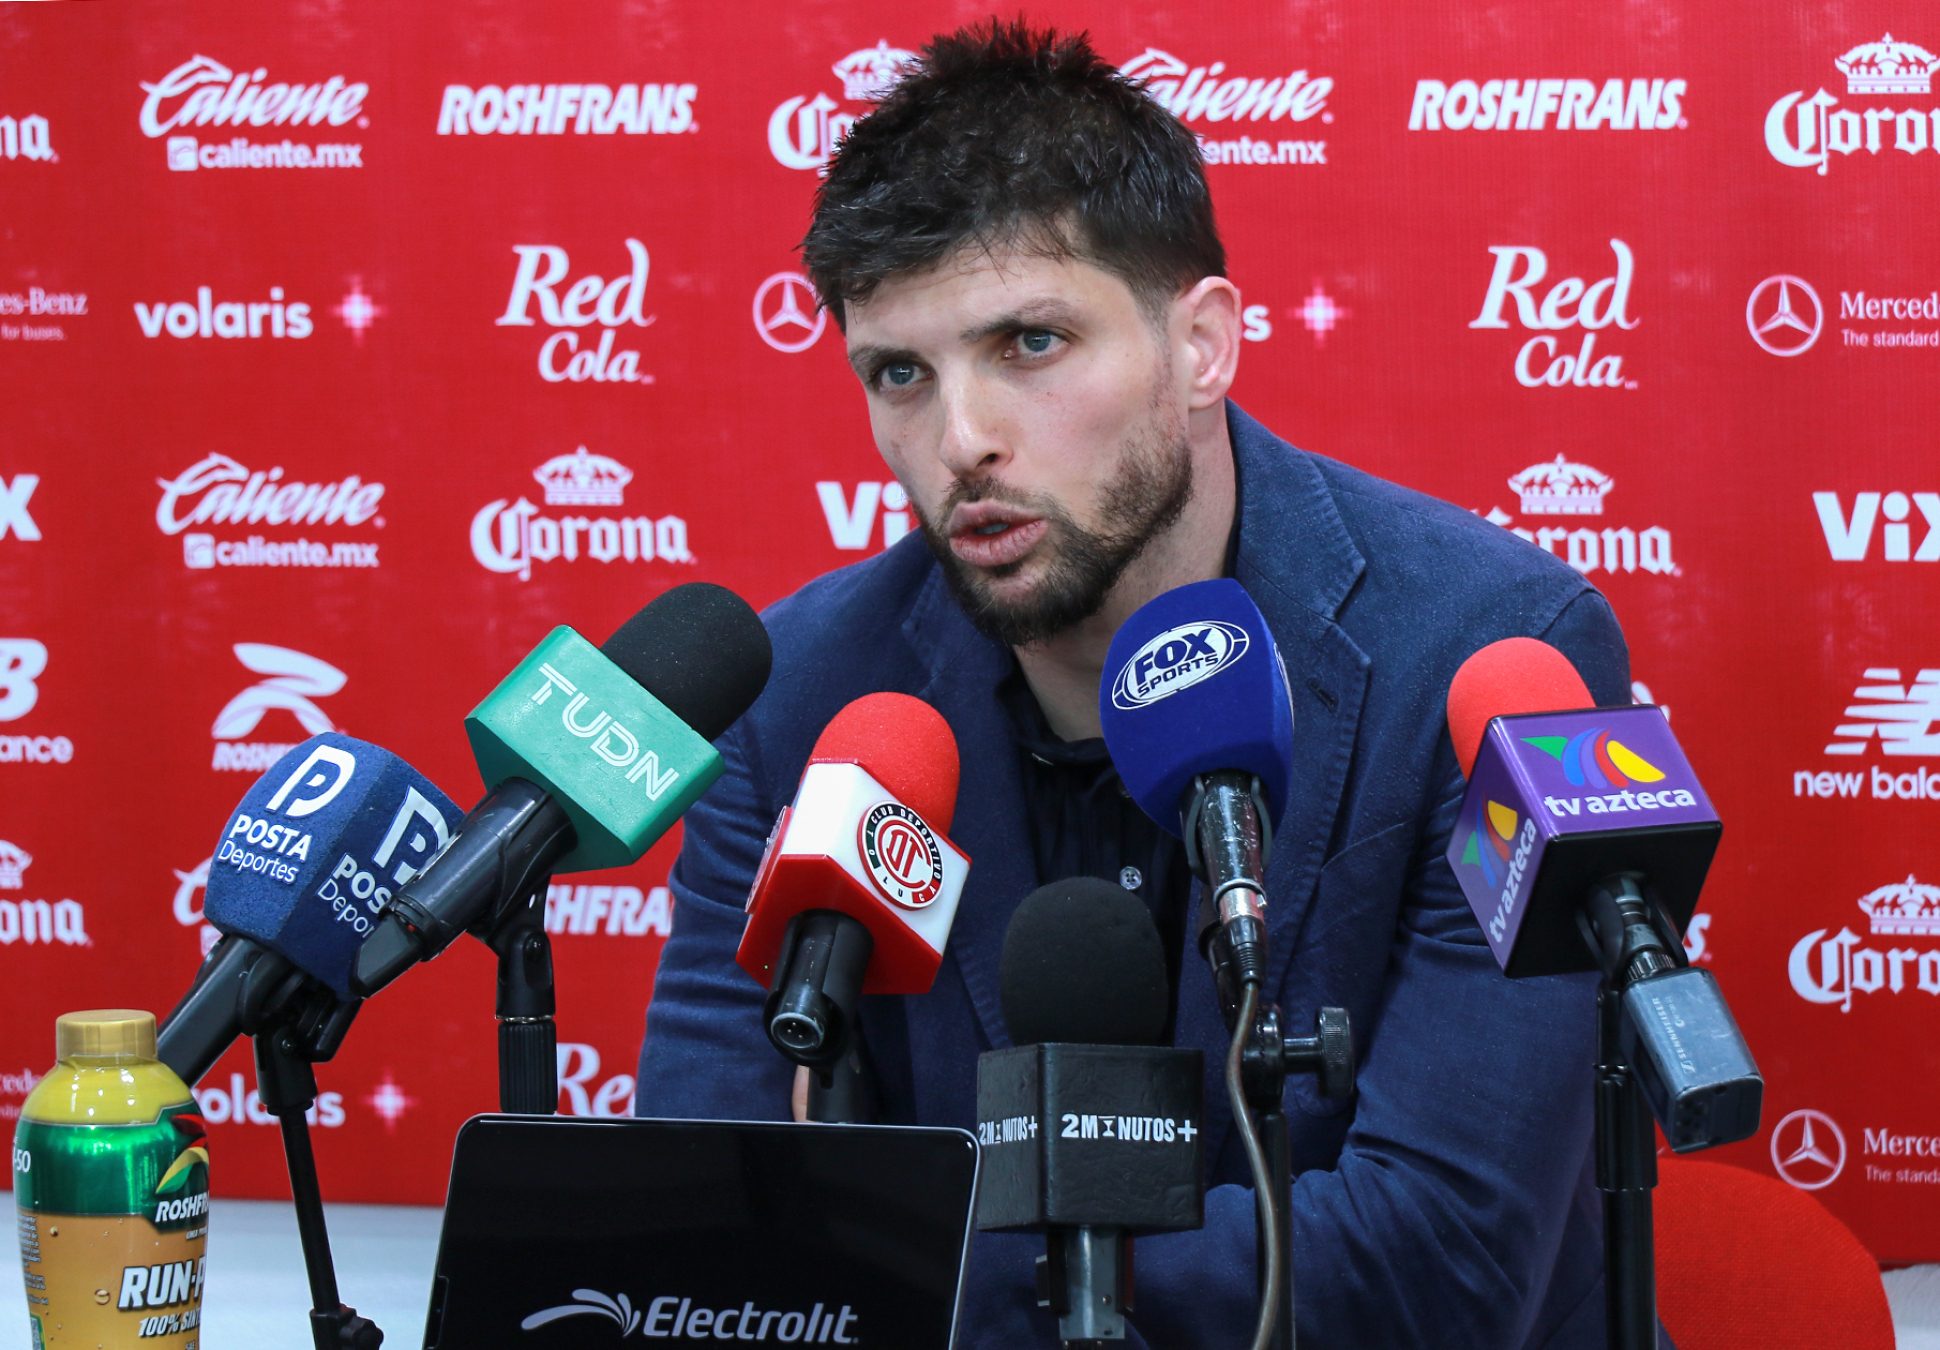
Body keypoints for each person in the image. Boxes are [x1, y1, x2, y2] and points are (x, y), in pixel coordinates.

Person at [638, 21, 1656, 1348]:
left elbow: (1435, 1271)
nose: (961, 441)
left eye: (1031, 343)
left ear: (1204, 347)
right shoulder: (800, 705)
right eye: (901, 373)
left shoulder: (1495, 658)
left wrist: (888, 1259)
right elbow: (712, 1232)